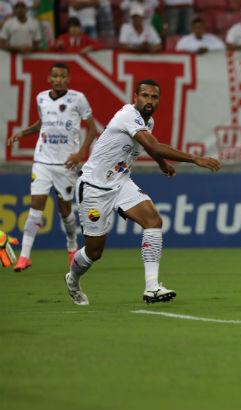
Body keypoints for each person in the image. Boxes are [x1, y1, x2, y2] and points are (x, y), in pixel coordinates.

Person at [64, 79, 221, 306]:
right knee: (94, 252)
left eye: (154, 97)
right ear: (135, 97)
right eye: (145, 96)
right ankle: (73, 280)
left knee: (153, 221)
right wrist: (195, 158)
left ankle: (152, 287)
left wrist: (161, 164)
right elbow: (155, 146)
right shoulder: (128, 115)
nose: (149, 100)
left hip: (121, 183)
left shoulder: (149, 121)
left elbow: (150, 147)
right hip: (94, 187)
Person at [6, 63, 97, 271]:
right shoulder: (41, 98)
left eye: (62, 76)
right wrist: (23, 132)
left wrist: (80, 153)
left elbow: (92, 129)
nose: (58, 79)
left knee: (65, 210)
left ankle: (72, 245)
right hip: (42, 161)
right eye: (55, 76)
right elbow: (43, 123)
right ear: (49, 78)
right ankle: (24, 256)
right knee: (36, 205)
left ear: (68, 78)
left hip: (67, 163)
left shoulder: (78, 98)